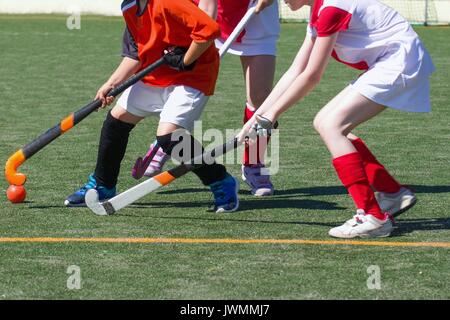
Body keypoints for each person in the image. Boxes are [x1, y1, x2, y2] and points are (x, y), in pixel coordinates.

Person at [239, 0, 435, 238]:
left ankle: (372, 216)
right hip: (390, 61)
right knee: (324, 122)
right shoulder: (318, 10)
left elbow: (311, 76)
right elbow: (296, 70)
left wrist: (271, 115)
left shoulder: (332, 9)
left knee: (332, 126)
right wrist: (257, 118)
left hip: (398, 61)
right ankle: (391, 193)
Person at [65, 0, 240, 213]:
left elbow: (209, 29)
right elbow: (136, 54)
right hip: (155, 75)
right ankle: (102, 185)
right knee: (116, 121)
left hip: (192, 77)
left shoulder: (168, 2)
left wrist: (185, 60)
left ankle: (220, 182)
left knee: (169, 136)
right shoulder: (129, 7)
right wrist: (111, 84)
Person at [133, 0, 280, 197]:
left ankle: (254, 163)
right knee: (188, 80)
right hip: (208, 11)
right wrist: (204, 26)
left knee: (260, 98)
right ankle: (168, 140)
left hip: (256, 18)